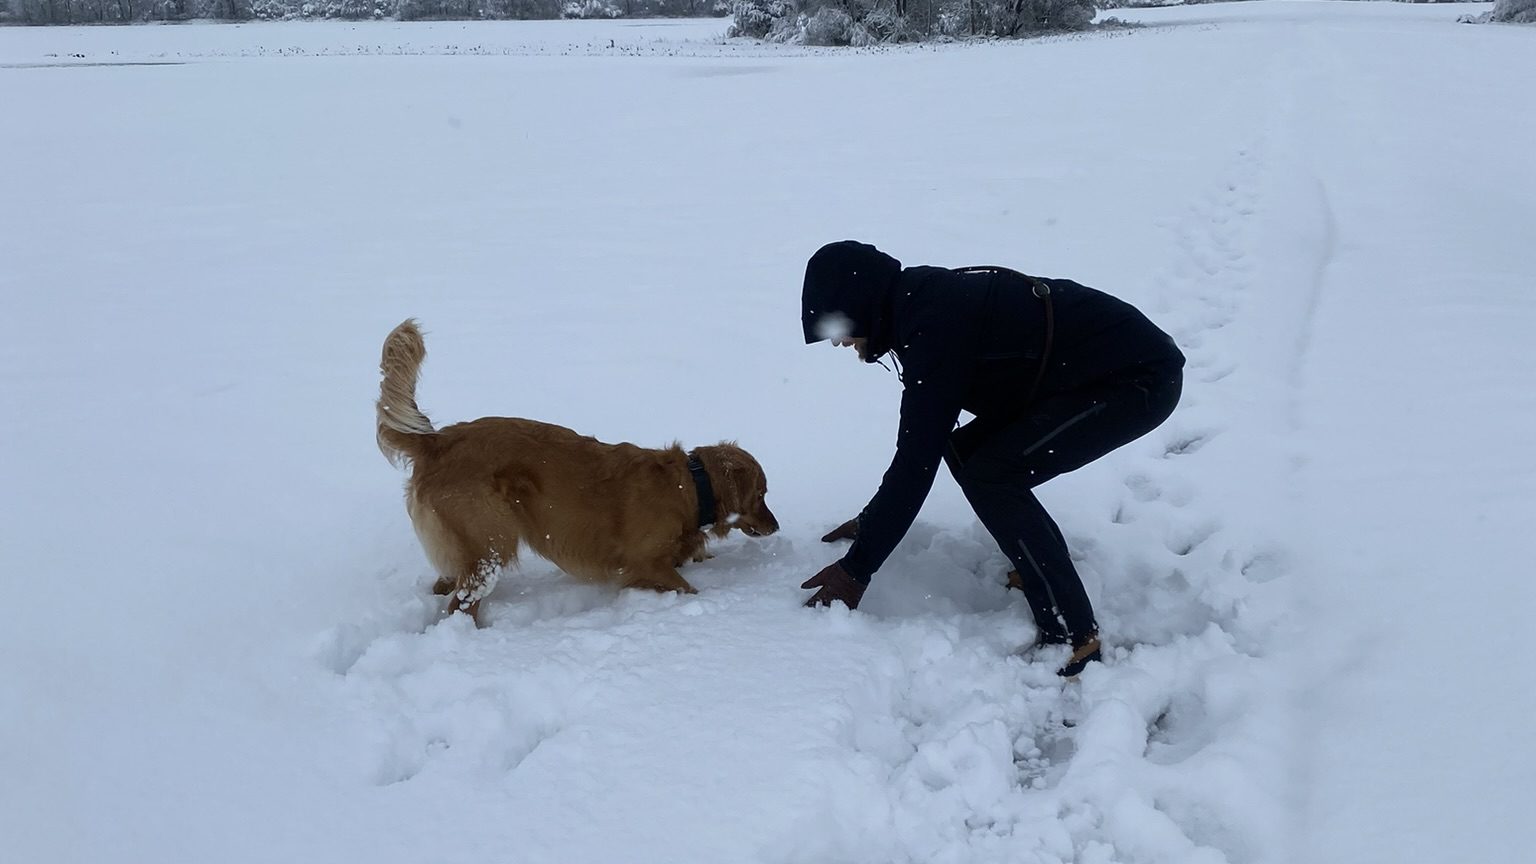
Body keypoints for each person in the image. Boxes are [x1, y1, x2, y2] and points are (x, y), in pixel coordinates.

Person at [798, 240, 1185, 677]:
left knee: (993, 475)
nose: (838, 343)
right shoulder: (918, 306)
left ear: (861, 304)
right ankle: (1038, 569)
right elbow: (922, 447)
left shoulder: (932, 326)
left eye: (837, 328)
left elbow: (914, 463)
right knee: (970, 454)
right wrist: (873, 522)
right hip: (1081, 378)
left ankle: (1072, 635)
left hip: (1136, 381)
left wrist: (856, 569)